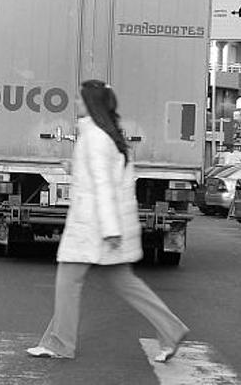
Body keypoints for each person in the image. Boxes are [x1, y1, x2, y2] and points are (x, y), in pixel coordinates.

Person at [27, 80, 189, 362]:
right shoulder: (107, 135)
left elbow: (103, 186)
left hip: (95, 227)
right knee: (124, 284)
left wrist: (111, 231)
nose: (75, 102)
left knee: (67, 284)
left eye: (79, 98)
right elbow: (105, 178)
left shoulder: (95, 138)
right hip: (105, 225)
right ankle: (171, 329)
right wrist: (75, 168)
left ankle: (61, 344)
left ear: (91, 103)